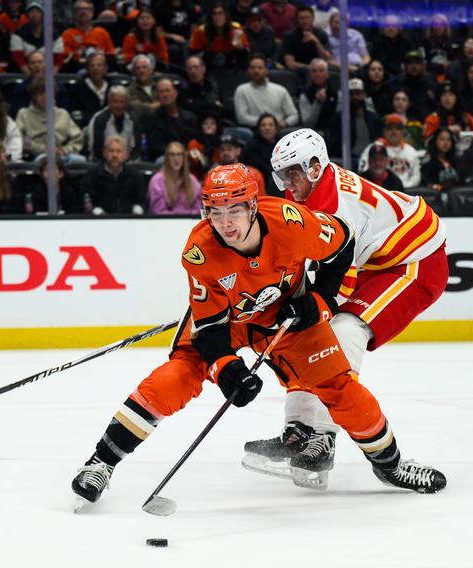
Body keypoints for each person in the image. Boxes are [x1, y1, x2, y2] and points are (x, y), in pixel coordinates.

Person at [73, 162, 447, 505]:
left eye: (234, 210)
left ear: (253, 206)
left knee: (339, 387)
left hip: (285, 320)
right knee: (179, 375)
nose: (225, 223)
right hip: (228, 323)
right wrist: (227, 368)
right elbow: (210, 328)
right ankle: (100, 464)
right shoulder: (198, 252)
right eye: (215, 212)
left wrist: (321, 301)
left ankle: (391, 466)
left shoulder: (292, 222)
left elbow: (343, 244)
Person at [242, 131, 448, 490]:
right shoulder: (309, 196)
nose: (287, 184)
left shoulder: (337, 207)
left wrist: (302, 304)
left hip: (416, 262)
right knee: (305, 334)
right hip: (378, 261)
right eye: (282, 175)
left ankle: (322, 437)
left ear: (316, 166)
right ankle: (299, 431)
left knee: (343, 331)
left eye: (293, 173)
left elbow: (338, 284)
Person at [15, 78, 85, 163]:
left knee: (80, 160)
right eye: (40, 93)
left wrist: (64, 150)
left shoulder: (62, 113)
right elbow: (20, 140)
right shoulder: (24, 114)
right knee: (44, 160)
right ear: (34, 96)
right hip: (37, 155)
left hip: (62, 154)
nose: (44, 96)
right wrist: (42, 149)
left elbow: (77, 138)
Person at [80, 135, 147, 214]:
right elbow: (87, 203)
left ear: (125, 155)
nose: (115, 155)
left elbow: (143, 202)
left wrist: (133, 216)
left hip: (130, 221)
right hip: (99, 221)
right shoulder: (92, 175)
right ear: (104, 153)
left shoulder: (135, 176)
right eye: (111, 151)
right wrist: (103, 216)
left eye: (118, 151)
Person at [234, 54, 299, 129]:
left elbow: (294, 115)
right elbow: (242, 118)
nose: (256, 71)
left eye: (260, 67)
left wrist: (285, 123)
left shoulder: (280, 90)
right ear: (248, 70)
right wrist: (266, 124)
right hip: (255, 129)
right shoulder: (242, 90)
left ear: (266, 70)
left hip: (279, 128)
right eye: (252, 68)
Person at [142, 77, 198, 162]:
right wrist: (177, 153)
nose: (165, 94)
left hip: (188, 156)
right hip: (166, 157)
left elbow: (194, 139)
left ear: (176, 93)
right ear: (157, 97)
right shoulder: (152, 119)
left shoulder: (189, 117)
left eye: (168, 90)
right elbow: (155, 146)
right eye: (161, 92)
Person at [360, 114, 421, 189]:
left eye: (397, 128)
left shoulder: (411, 151)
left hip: (407, 191)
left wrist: (404, 186)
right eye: (389, 128)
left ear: (403, 131)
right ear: (384, 131)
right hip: (379, 190)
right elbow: (363, 172)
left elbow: (416, 175)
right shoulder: (374, 148)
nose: (394, 131)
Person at [85, 85, 142, 163]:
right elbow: (96, 151)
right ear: (109, 102)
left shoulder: (133, 119)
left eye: (121, 102)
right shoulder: (99, 120)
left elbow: (137, 149)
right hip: (104, 162)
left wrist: (126, 163)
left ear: (127, 103)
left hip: (128, 163)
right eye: (115, 101)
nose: (118, 106)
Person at [188, 1, 249, 72]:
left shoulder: (236, 28)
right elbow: (194, 54)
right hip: (209, 67)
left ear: (226, 15)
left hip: (232, 66)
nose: (217, 17)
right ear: (211, 17)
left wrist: (240, 48)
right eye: (214, 14)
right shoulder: (201, 31)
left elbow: (246, 53)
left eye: (220, 13)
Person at [10, 0, 64, 75]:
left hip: (49, 75)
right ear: (27, 15)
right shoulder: (18, 33)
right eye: (31, 11)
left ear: (42, 15)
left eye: (37, 11)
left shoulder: (53, 34)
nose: (34, 14)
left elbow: (58, 59)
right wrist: (31, 76)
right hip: (25, 74)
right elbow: (18, 59)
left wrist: (50, 77)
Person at [61, 0, 117, 73]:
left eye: (86, 9)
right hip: (79, 69)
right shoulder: (68, 34)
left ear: (92, 13)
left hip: (101, 69)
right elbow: (67, 58)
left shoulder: (101, 32)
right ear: (75, 14)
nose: (83, 11)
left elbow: (111, 54)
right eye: (80, 9)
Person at [148, 140, 202, 214]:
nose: (176, 158)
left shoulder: (192, 180)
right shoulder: (157, 180)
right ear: (167, 157)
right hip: (165, 222)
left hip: (190, 222)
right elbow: (158, 210)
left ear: (184, 157)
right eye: (172, 154)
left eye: (179, 154)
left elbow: (198, 209)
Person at [280, 4, 331, 72]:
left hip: (319, 69)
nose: (304, 21)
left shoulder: (321, 34)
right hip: (299, 71)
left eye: (307, 18)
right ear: (297, 19)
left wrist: (316, 42)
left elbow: (327, 59)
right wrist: (311, 68)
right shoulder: (289, 36)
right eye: (301, 18)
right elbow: (290, 64)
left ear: (313, 18)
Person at [391, 49, 439, 120]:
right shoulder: (399, 83)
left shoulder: (431, 82)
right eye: (410, 63)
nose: (413, 66)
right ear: (405, 67)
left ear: (423, 66)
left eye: (417, 62)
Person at [68, 50, 110, 128]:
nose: (96, 68)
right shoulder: (77, 88)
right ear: (87, 69)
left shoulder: (113, 87)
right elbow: (76, 114)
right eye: (92, 65)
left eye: (99, 65)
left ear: (105, 68)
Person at [298, 57, 339, 132]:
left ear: (327, 74)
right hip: (314, 134)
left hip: (334, 133)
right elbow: (307, 124)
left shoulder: (337, 93)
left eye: (321, 70)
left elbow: (340, 120)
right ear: (310, 74)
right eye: (314, 71)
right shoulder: (305, 94)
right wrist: (317, 103)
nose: (317, 74)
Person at [420, 126, 460, 191]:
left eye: (448, 140)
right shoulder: (428, 162)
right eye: (442, 139)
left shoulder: (456, 161)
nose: (445, 143)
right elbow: (426, 182)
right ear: (435, 142)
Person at [125, 54, 159, 120]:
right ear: (133, 72)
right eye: (138, 68)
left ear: (151, 70)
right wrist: (160, 104)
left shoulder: (159, 87)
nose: (141, 71)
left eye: (144, 67)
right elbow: (138, 110)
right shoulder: (129, 90)